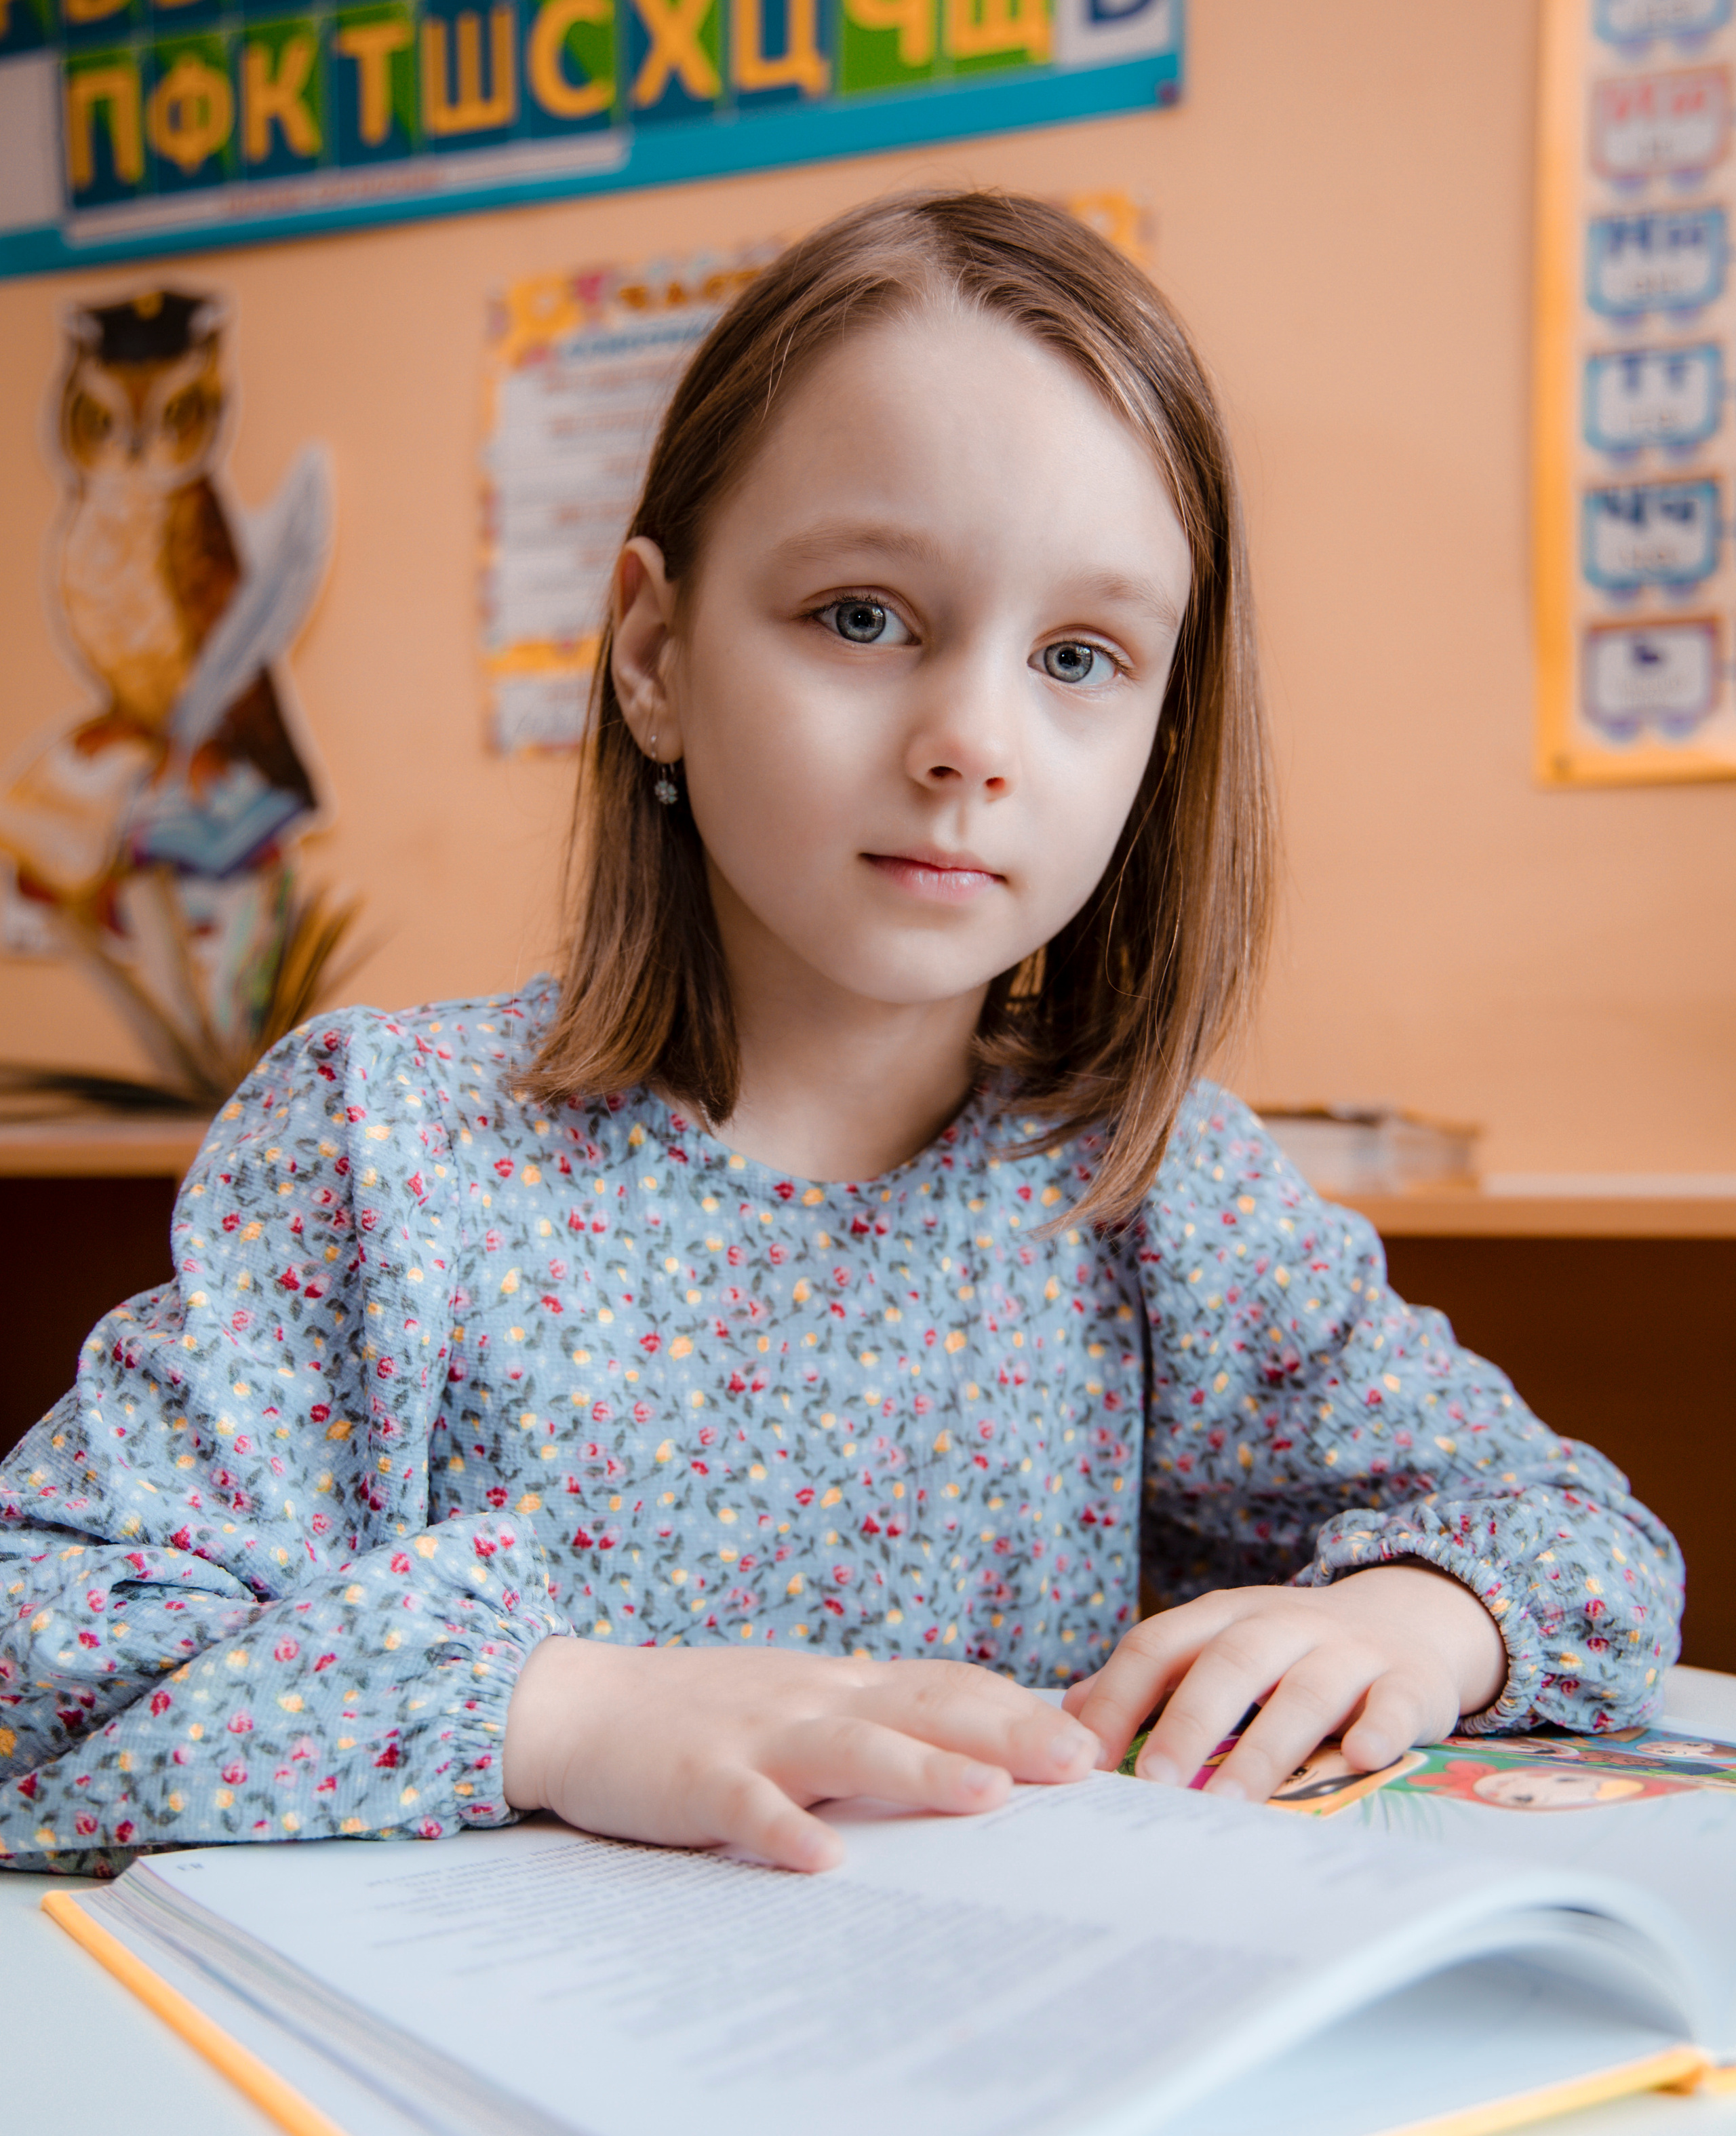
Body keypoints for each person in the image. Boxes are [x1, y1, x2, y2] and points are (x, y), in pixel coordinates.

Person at [0, 193, 1682, 1878]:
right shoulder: (387, 1151)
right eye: (863, 617)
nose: (970, 739)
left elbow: (1576, 1539)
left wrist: (1423, 1616)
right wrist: (564, 1714)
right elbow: (41, 1659)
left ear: (1161, 735)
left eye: (1081, 656)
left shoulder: (1147, 1190)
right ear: (654, 652)